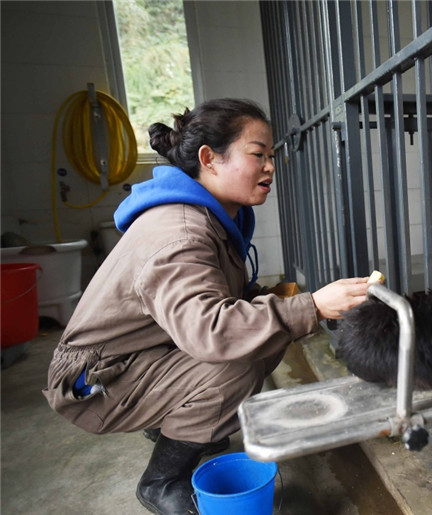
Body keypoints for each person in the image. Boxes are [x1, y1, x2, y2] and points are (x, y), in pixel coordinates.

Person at [43, 98, 371, 515]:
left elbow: (217, 305)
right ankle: (162, 481)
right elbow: (212, 332)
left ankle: (179, 424)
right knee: (237, 363)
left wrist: (293, 303)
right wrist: (314, 307)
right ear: (209, 159)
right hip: (96, 381)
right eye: (258, 155)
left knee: (266, 331)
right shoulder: (181, 232)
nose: (270, 167)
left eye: (271, 156)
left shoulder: (212, 217)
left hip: (136, 356)